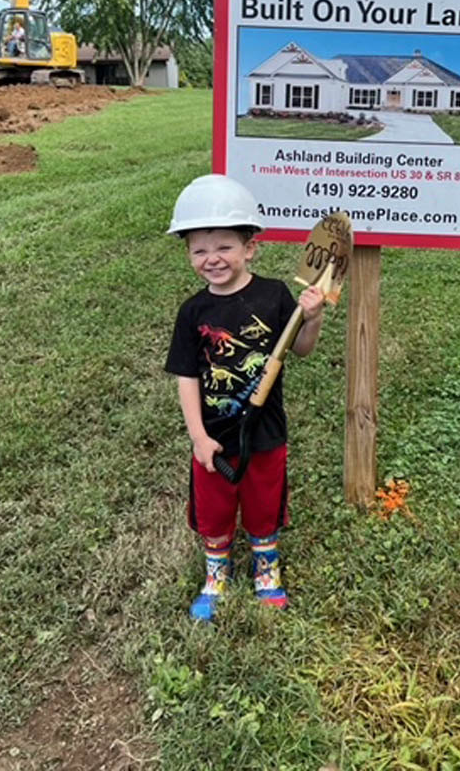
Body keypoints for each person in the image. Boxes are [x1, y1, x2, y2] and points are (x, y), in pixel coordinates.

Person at [164, 174, 325, 622]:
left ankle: (265, 569)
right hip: (214, 435)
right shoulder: (193, 311)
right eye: (199, 250)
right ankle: (216, 573)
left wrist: (311, 318)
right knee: (215, 507)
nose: (212, 259)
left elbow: (303, 348)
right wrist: (198, 436)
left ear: (250, 247)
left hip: (266, 432)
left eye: (225, 247)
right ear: (189, 254)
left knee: (262, 501)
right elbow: (187, 376)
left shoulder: (274, 295)